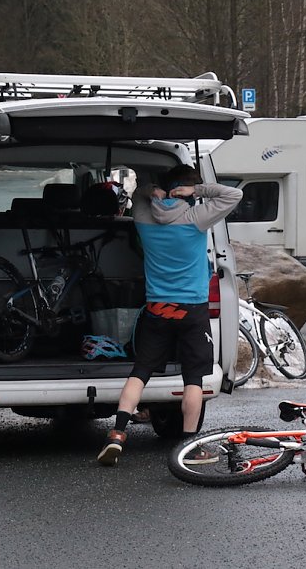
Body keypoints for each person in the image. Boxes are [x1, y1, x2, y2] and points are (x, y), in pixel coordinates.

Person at [97, 163, 242, 466]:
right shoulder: (196, 218)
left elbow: (137, 196)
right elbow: (234, 195)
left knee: (140, 373)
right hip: (191, 312)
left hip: (157, 310)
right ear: (186, 192)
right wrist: (197, 191)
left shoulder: (143, 217)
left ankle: (117, 434)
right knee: (193, 380)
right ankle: (190, 447)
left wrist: (151, 192)